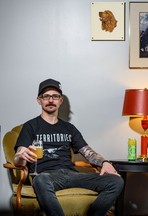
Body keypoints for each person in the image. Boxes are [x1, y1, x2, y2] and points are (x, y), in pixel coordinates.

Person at [14, 78, 124, 216]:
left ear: (60, 101)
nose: (50, 100)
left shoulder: (69, 128)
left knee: (116, 181)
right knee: (41, 180)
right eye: (46, 96)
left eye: (55, 96)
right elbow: (18, 158)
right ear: (39, 100)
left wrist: (104, 162)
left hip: (71, 175)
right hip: (46, 176)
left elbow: (87, 152)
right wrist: (20, 156)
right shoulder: (30, 126)